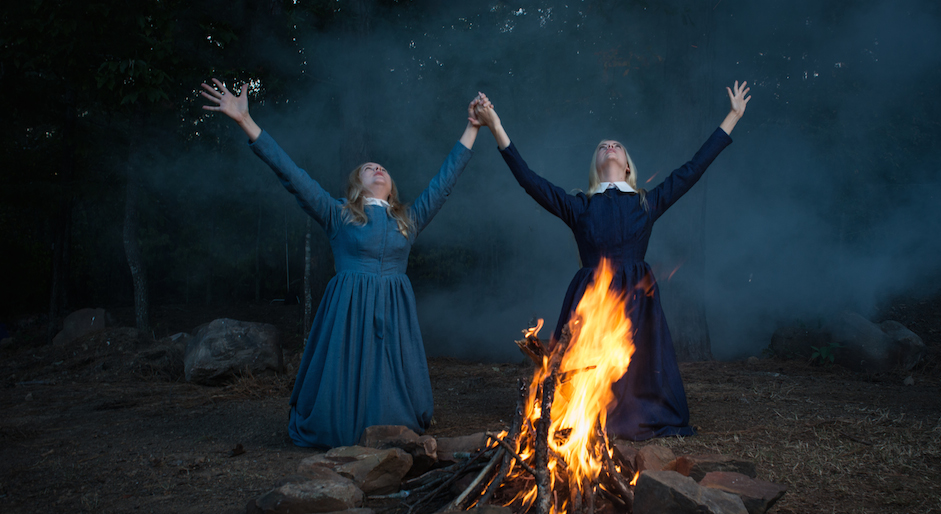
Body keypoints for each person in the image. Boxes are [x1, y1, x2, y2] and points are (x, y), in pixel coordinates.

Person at [201, 78, 486, 448]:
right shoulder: (338, 214)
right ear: (356, 185)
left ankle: (388, 428)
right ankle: (340, 422)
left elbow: (444, 181)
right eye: (368, 168)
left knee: (392, 399)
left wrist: (472, 127)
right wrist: (245, 122)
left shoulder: (407, 220)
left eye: (382, 167)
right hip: (349, 309)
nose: (377, 168)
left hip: (393, 311)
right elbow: (292, 175)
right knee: (342, 397)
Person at [473, 82, 750, 439]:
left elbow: (692, 169)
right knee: (582, 368)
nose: (609, 146)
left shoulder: (645, 202)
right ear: (597, 165)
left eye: (617, 145)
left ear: (628, 166)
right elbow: (530, 180)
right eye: (602, 146)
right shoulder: (579, 205)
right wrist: (495, 126)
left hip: (637, 297)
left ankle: (635, 416)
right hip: (590, 295)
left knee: (637, 367)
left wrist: (733, 116)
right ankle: (583, 415)